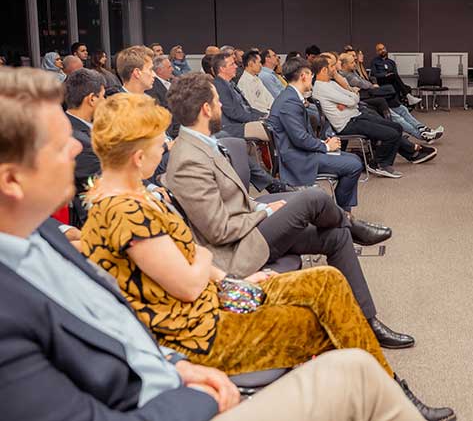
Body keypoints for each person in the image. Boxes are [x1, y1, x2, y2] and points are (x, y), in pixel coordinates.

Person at [0, 68, 446, 421]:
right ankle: (388, 389)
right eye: (160, 141)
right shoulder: (123, 211)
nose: (167, 145)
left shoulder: (132, 201)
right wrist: (214, 265)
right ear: (140, 156)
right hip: (203, 327)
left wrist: (221, 273)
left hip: (206, 310)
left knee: (326, 281)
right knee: (322, 308)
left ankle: (384, 386)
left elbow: (189, 265)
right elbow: (195, 270)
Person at [163, 74, 418, 352]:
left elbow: (229, 201)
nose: (222, 105)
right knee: (312, 197)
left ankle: (368, 321)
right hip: (237, 247)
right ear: (205, 109)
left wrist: (259, 206)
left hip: (246, 226)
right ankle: (352, 224)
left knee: (335, 236)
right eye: (217, 100)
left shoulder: (203, 144)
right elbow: (219, 230)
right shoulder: (189, 158)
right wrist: (264, 212)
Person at [312, 57, 436, 178]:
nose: (335, 69)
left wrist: (349, 100)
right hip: (347, 124)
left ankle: (410, 154)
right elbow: (352, 99)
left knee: (397, 127)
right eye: (332, 66)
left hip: (356, 116)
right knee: (391, 134)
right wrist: (350, 100)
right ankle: (379, 164)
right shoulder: (322, 88)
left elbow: (355, 97)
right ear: (323, 70)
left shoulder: (331, 84)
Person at [269, 58, 364, 211]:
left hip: (300, 152)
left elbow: (300, 135)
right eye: (311, 75)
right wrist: (325, 146)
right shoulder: (289, 102)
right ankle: (342, 211)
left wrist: (322, 144)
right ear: (303, 76)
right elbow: (299, 138)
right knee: (354, 165)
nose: (312, 79)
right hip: (298, 158)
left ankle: (342, 210)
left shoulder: (289, 97)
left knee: (353, 159)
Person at [339, 52, 442, 142]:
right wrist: (371, 84)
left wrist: (370, 83)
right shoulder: (347, 76)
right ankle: (422, 136)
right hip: (367, 100)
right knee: (397, 117)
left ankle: (422, 128)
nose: (355, 62)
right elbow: (364, 84)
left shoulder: (353, 71)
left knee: (402, 109)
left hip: (372, 95)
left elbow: (367, 80)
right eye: (352, 61)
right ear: (344, 64)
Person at [64, 68, 106, 225]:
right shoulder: (82, 143)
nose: (105, 101)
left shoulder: (68, 125)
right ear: (92, 99)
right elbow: (97, 192)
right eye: (103, 96)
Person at [209, 51, 267, 139]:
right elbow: (233, 113)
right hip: (232, 127)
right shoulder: (218, 86)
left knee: (274, 125)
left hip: (243, 122)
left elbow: (248, 108)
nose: (236, 66)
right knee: (271, 130)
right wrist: (258, 118)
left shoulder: (230, 83)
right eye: (232, 64)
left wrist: (264, 115)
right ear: (222, 69)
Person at [237, 50, 274, 114]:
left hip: (268, 112)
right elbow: (251, 106)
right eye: (259, 62)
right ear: (250, 64)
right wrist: (268, 113)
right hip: (260, 116)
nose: (261, 66)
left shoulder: (256, 79)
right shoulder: (244, 82)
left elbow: (269, 97)